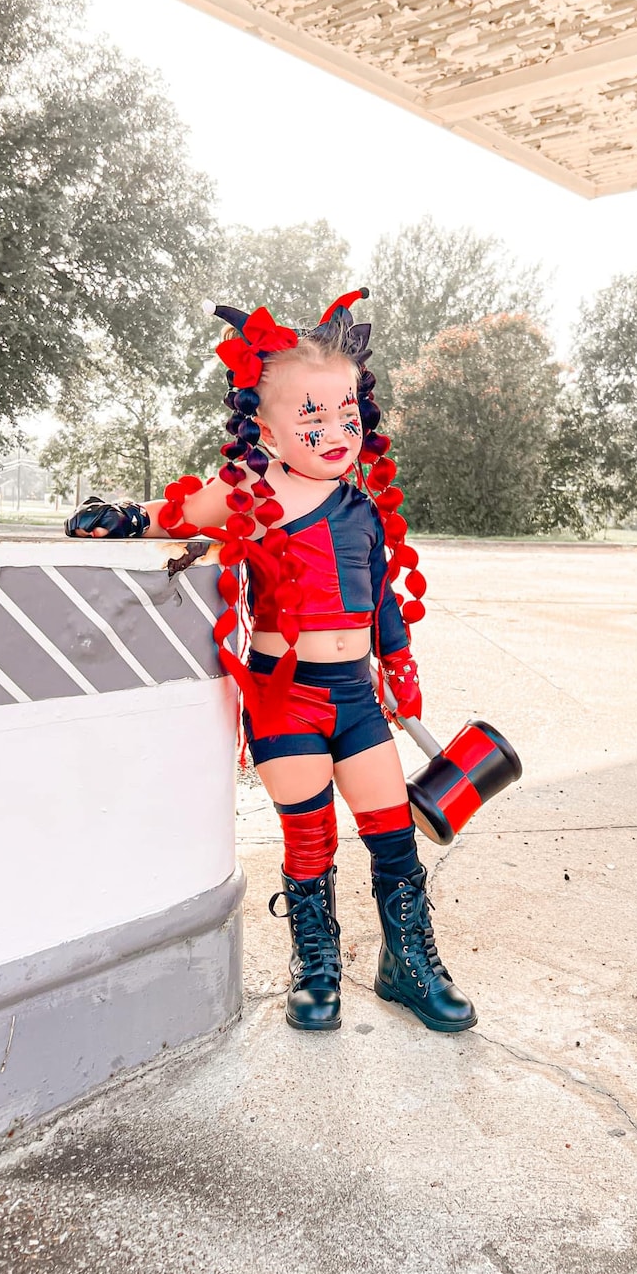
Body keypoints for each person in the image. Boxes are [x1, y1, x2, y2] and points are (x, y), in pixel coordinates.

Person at [66, 289, 476, 1035]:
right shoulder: (250, 492)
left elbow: (382, 595)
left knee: (392, 833)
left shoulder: (363, 508)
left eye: (345, 412)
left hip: (358, 698)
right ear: (265, 424)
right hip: (285, 696)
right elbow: (175, 513)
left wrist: (402, 664)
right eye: (311, 415)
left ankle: (406, 963)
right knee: (310, 838)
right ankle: (316, 963)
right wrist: (124, 516)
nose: (335, 430)